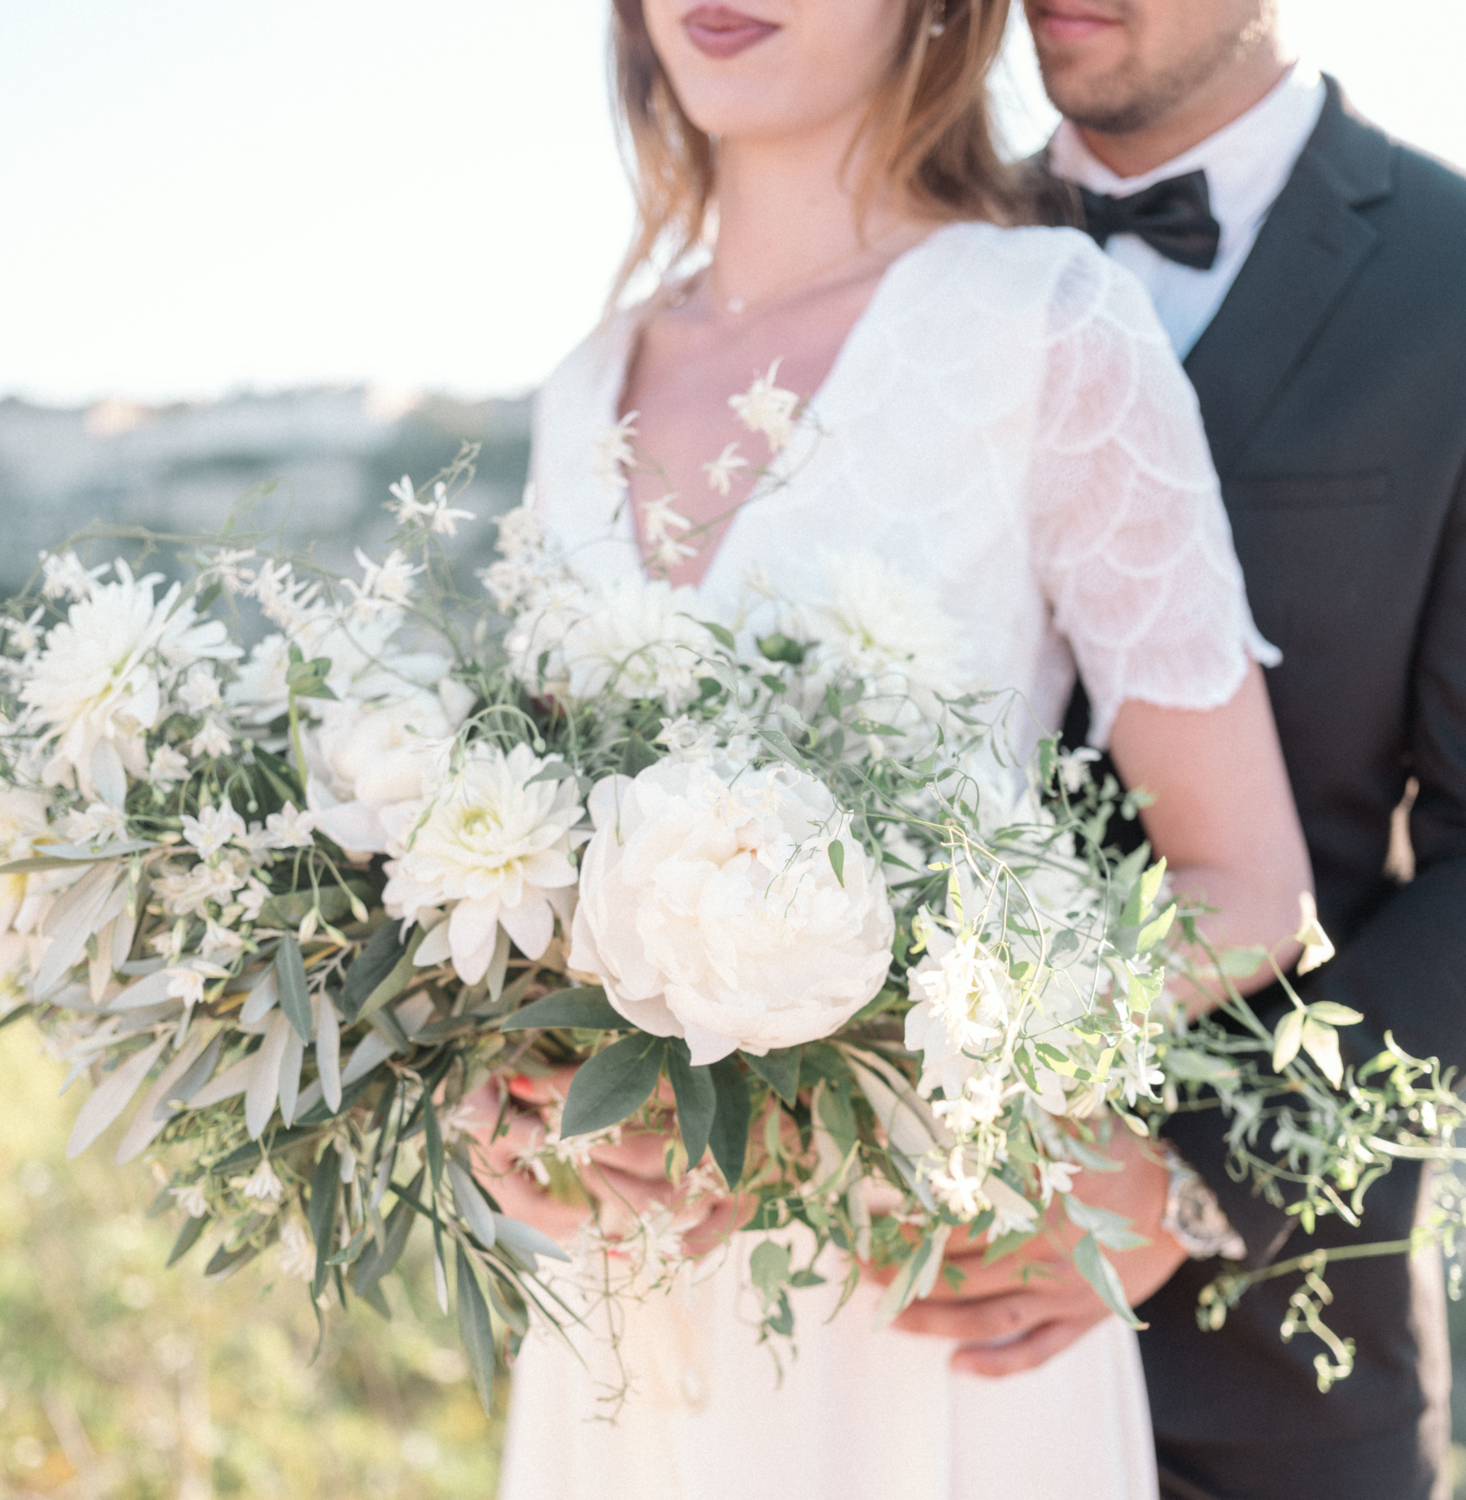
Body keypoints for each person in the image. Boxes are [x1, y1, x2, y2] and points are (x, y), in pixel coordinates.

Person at [482, 3, 1311, 1497]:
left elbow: (1241, 881)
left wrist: (862, 1081)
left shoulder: (1044, 323)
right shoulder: (577, 384)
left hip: (930, 1298)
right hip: (625, 1332)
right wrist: (503, 1106)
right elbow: (526, 911)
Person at [899, 3, 1466, 1497]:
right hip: (880, 1326)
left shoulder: (1451, 276)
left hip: (1271, 1375)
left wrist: (1199, 1191)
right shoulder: (899, 263)